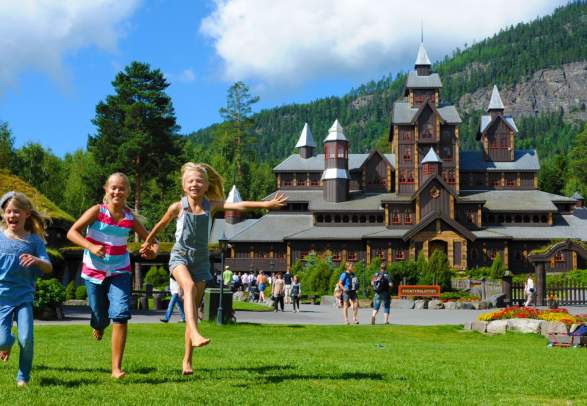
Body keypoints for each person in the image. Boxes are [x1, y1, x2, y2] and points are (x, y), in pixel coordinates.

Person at [141, 162, 286, 375]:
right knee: (188, 288)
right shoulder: (177, 207)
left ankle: (187, 361)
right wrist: (148, 242)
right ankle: (197, 333)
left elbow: (239, 205)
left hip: (200, 261)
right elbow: (160, 225)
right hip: (180, 256)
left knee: (192, 306)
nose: (195, 184)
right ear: (183, 185)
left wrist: (266, 204)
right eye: (190, 181)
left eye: (199, 181)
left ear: (206, 184)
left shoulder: (213, 205)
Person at [67, 173, 157, 379]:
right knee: (99, 313)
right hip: (93, 271)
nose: (117, 191)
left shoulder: (130, 219)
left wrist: (152, 249)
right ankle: (98, 324)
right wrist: (90, 245)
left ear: (127, 192)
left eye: (122, 188)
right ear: (106, 190)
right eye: (113, 188)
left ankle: (116, 368)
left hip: (120, 271)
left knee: (121, 313)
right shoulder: (97, 212)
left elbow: (151, 240)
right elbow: (72, 232)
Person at [0, 191, 53, 387]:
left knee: (27, 338)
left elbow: (48, 267)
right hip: (1, 297)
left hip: (24, 297)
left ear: (27, 214)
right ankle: (7, 343)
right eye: (8, 212)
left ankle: (23, 376)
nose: (12, 216)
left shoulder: (34, 241)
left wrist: (38, 260)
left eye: (16, 212)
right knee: (2, 341)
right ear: (4, 214)